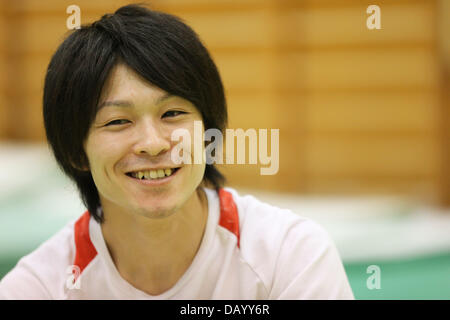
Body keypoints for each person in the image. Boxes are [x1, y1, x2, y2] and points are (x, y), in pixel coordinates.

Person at [0, 4, 354, 299]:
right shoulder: (38, 289)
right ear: (77, 151)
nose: (153, 143)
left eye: (173, 114)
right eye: (118, 121)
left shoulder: (290, 257)